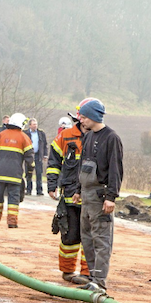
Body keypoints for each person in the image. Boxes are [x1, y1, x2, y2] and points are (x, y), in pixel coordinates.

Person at [72, 98, 123, 293]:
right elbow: (81, 165)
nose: (81, 121)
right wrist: (78, 190)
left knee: (101, 240)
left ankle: (99, 282)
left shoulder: (111, 138)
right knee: (87, 238)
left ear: (93, 116)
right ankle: (92, 277)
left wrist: (111, 196)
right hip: (86, 196)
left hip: (101, 197)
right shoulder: (88, 137)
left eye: (83, 117)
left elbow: (116, 170)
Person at [46, 112, 91, 285]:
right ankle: (67, 270)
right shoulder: (64, 137)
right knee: (70, 236)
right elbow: (54, 163)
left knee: (90, 237)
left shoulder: (100, 137)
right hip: (70, 196)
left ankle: (87, 273)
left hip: (92, 197)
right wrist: (52, 185)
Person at [0, 113, 34, 228]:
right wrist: (29, 173)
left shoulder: (1, 135)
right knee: (13, 198)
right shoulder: (24, 138)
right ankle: (12, 222)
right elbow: (30, 158)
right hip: (15, 175)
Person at [24, 118, 48, 196]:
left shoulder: (41, 133)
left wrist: (45, 154)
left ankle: (39, 190)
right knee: (28, 173)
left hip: (38, 155)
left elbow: (45, 145)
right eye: (34, 124)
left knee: (39, 173)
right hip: (29, 156)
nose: (35, 126)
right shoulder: (25, 133)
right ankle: (28, 189)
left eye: (36, 124)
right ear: (30, 125)